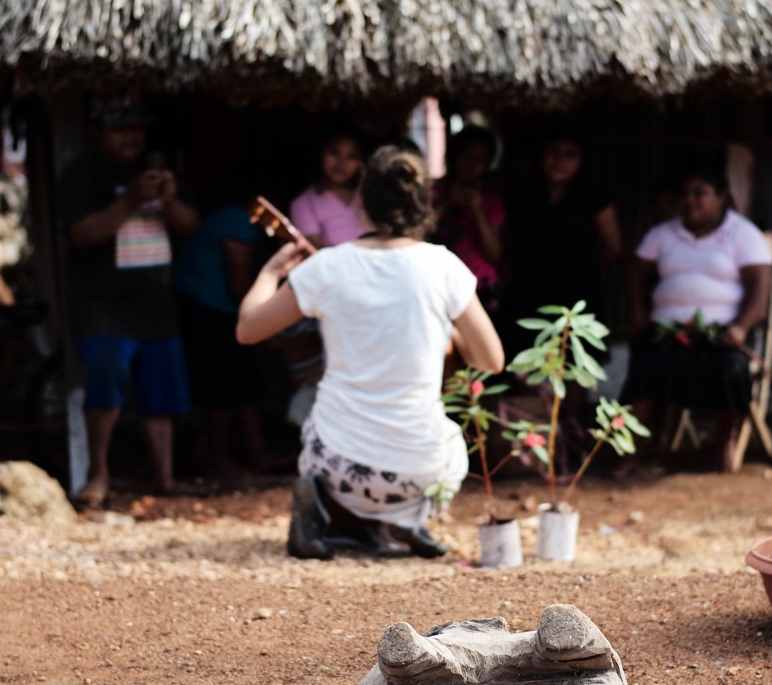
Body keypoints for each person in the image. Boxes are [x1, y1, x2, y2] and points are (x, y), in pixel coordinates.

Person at [236, 146, 505, 560]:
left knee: (318, 424)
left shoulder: (327, 266)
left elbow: (248, 330)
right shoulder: (444, 266)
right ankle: (409, 518)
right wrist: (444, 320)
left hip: (339, 462)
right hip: (422, 470)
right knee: (453, 446)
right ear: (421, 205)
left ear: (362, 202)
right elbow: (491, 360)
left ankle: (325, 509)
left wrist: (270, 273)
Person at [58, 99, 199, 506]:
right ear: (95, 131)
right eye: (119, 128)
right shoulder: (81, 175)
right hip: (101, 306)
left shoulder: (161, 172)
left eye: (137, 127)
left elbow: (191, 225)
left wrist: (170, 200)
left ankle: (165, 480)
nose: (130, 136)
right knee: (106, 380)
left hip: (155, 303)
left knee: (162, 393)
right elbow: (82, 235)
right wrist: (130, 200)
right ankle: (98, 473)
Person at [621, 166, 772, 472]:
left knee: (730, 369)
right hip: (667, 330)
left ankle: (722, 443)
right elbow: (636, 271)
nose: (690, 201)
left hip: (722, 335)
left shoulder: (743, 234)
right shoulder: (663, 233)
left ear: (722, 197)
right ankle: (635, 448)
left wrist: (741, 327)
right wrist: (638, 312)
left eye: (699, 193)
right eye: (685, 194)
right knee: (646, 366)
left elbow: (760, 285)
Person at [172, 177, 274, 484]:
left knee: (244, 380)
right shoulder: (237, 219)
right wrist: (271, 329)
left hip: (220, 308)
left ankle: (257, 454)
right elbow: (241, 287)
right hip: (209, 309)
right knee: (221, 385)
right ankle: (217, 460)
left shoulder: (229, 216)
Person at [502, 129, 623, 341]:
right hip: (527, 291)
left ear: (582, 160)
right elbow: (505, 241)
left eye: (570, 155)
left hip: (578, 296)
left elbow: (613, 248)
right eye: (553, 153)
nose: (559, 161)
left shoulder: (594, 197)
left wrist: (578, 267)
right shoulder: (520, 194)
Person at [431, 125, 507, 315]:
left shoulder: (490, 199)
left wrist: (478, 210)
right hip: (436, 285)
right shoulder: (431, 192)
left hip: (481, 288)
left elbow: (495, 254)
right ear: (453, 156)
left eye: (480, 160)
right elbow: (417, 236)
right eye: (467, 157)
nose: (472, 166)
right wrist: (447, 201)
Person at [289, 128, 367, 248]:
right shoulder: (304, 204)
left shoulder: (368, 193)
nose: (341, 163)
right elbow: (316, 253)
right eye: (334, 152)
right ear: (321, 153)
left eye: (351, 156)